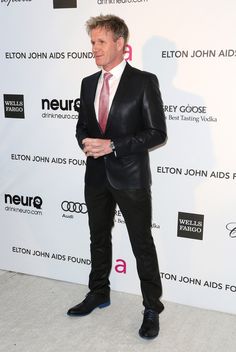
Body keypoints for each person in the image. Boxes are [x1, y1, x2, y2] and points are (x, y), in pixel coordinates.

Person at [67, 14, 167, 339]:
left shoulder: (144, 81)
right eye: (92, 42)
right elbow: (83, 125)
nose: (94, 48)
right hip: (95, 175)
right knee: (98, 237)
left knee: (141, 244)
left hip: (131, 177)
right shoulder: (87, 83)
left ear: (120, 44)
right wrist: (86, 142)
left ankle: (152, 307)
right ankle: (99, 292)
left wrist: (113, 146)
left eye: (100, 42)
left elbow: (156, 133)